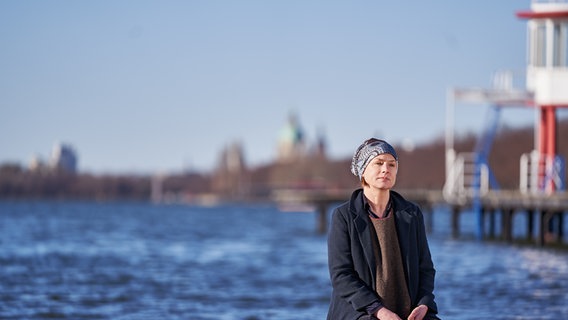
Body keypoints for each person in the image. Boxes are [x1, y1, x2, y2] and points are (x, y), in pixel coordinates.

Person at [327, 138, 440, 320]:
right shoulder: (343, 216)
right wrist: (379, 310)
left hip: (410, 311)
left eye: (392, 165)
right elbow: (341, 276)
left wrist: (424, 304)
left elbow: (425, 268)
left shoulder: (411, 213)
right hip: (362, 311)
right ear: (363, 171)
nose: (386, 169)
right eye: (378, 163)